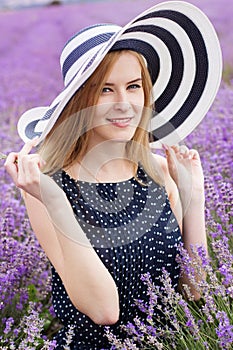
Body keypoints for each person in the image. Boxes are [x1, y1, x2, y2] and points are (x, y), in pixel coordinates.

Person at [4, 1, 222, 349]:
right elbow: (104, 311)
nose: (124, 103)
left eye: (133, 86)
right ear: (79, 102)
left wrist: (193, 195)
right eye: (106, 89)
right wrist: (56, 201)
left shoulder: (160, 171)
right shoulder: (47, 186)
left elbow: (195, 290)